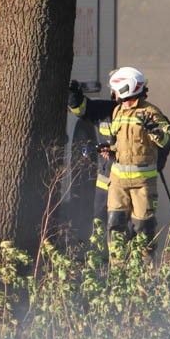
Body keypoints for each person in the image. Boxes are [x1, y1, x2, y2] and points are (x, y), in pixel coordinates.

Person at [105, 66, 170, 246]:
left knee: (144, 229)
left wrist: (154, 131)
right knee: (115, 226)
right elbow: (119, 142)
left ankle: (145, 269)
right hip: (118, 181)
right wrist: (110, 150)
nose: (113, 93)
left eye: (115, 89)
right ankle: (118, 269)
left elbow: (168, 140)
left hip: (142, 183)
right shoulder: (117, 111)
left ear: (126, 88)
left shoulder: (150, 112)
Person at [68, 77, 116, 228]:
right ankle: (100, 250)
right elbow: (83, 109)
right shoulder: (106, 109)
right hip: (105, 183)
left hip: (128, 186)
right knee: (100, 224)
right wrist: (74, 98)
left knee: (123, 225)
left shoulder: (142, 115)